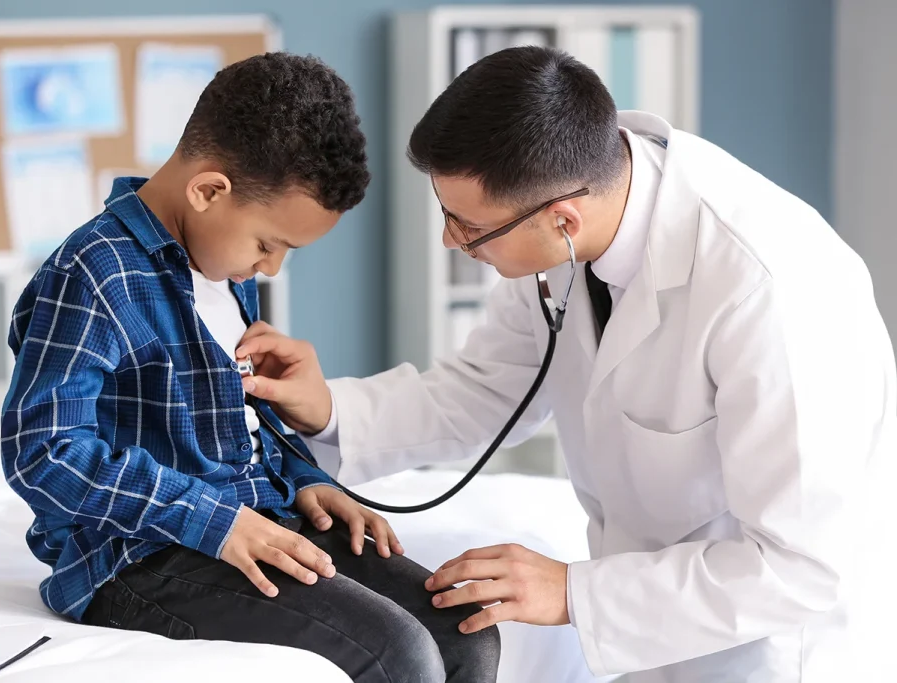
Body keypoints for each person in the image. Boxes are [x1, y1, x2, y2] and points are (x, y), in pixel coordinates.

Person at [235, 47, 897, 681]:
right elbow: (488, 388)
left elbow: (802, 567)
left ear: (562, 219)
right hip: (663, 640)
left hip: (778, 654)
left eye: (468, 226)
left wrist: (571, 590)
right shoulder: (570, 229)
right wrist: (329, 407)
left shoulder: (771, 286)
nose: (450, 239)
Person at [0, 52, 499, 683]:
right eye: (269, 245)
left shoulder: (219, 263)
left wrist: (304, 479)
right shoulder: (93, 273)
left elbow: (235, 422)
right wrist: (215, 520)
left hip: (256, 521)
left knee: (465, 633)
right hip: (141, 554)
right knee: (396, 652)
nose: (270, 269)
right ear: (208, 191)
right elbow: (43, 452)